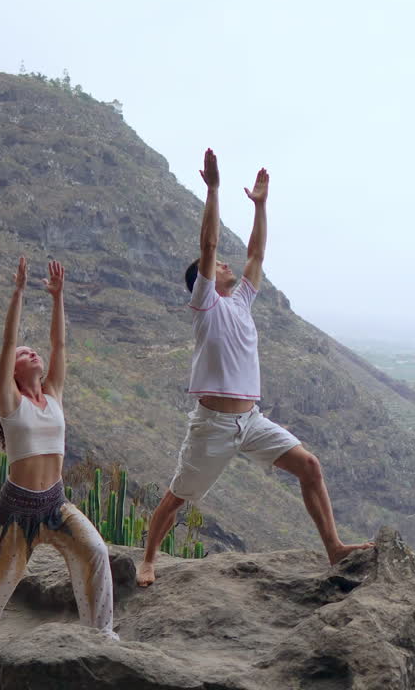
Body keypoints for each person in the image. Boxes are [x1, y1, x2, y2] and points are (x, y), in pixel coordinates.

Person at [137, 149, 372, 587]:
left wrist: (261, 206)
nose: (225, 264)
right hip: (214, 426)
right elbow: (207, 245)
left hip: (252, 420)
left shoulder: (242, 300)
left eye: (227, 265)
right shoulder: (205, 304)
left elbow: (257, 254)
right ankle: (148, 559)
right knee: (178, 497)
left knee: (310, 466)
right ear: (204, 279)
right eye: (217, 266)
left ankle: (335, 548)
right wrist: (212, 190)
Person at [0, 258, 118, 643]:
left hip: (56, 503)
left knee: (95, 550)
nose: (32, 354)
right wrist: (19, 293)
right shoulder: (10, 401)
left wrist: (58, 297)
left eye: (34, 353)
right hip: (17, 509)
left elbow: (59, 344)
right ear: (11, 372)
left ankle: (101, 635)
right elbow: (8, 343)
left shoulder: (54, 393)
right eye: (24, 354)